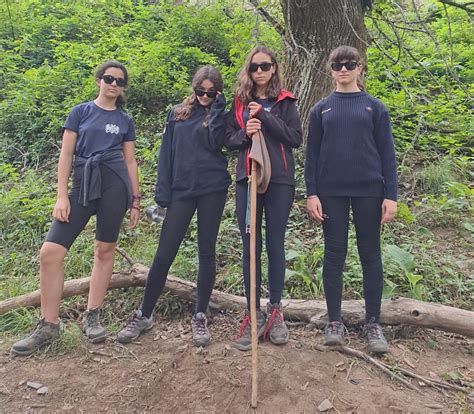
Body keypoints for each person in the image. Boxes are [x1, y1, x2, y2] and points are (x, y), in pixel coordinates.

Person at [11, 60, 140, 356]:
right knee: (50, 253)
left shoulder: (124, 119)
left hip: (115, 187)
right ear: (98, 80)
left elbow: (131, 161)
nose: (113, 84)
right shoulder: (80, 112)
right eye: (109, 78)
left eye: (120, 81)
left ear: (123, 88)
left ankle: (92, 315)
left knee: (104, 250)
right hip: (82, 186)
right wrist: (61, 196)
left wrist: (135, 200)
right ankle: (48, 325)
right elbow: (66, 154)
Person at [117, 66, 230, 348]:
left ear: (218, 92)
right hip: (181, 190)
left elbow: (219, 143)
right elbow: (166, 153)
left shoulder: (219, 115)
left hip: (212, 189)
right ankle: (144, 313)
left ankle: (200, 315)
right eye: (200, 91)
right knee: (164, 252)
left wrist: (217, 109)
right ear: (193, 89)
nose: (204, 96)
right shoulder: (177, 113)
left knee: (207, 250)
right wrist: (162, 195)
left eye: (211, 92)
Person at [305, 45, 398, 353]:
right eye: (337, 64)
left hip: (369, 190)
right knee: (334, 255)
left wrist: (391, 196)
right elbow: (312, 156)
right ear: (331, 70)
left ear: (360, 68)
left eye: (349, 64)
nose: (343, 69)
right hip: (330, 191)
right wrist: (312, 193)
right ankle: (334, 321)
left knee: (370, 255)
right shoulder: (320, 109)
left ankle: (373, 323)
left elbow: (387, 155)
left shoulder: (375, 107)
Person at [226, 45, 303, 351]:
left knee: (275, 243)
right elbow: (228, 140)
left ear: (274, 68)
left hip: (280, 180)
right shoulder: (239, 103)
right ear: (249, 70)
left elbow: (295, 138)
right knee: (250, 245)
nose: (259, 72)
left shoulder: (286, 102)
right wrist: (246, 131)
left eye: (265, 66)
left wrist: (266, 119)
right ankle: (251, 312)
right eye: (254, 67)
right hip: (248, 180)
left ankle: (275, 311)